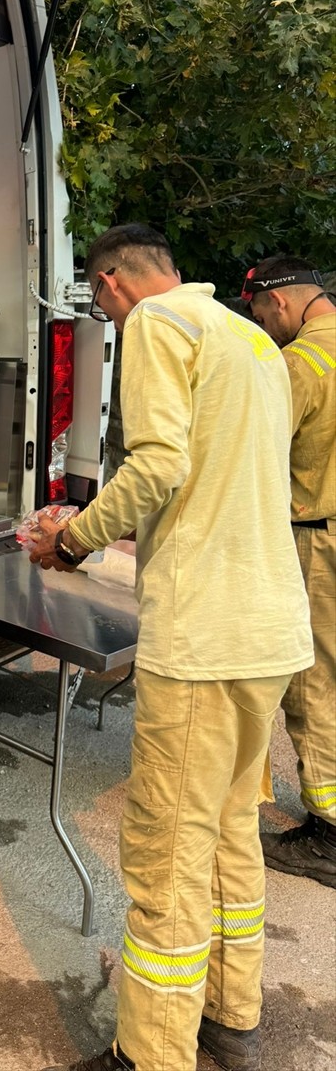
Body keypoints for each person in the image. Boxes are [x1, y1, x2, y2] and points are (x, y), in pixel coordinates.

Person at [28, 225, 312, 1071]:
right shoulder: (250, 337)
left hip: (205, 640)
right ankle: (232, 1016)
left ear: (112, 285)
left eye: (99, 304)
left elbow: (157, 468)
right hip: (268, 630)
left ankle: (151, 1053)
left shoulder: (157, 326)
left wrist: (72, 540)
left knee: (167, 856)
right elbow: (221, 487)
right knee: (229, 832)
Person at [242, 255, 336, 887]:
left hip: (318, 541)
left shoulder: (302, 364)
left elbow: (251, 452)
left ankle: (328, 833)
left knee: (314, 684)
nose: (264, 329)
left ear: (278, 304)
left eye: (259, 316)